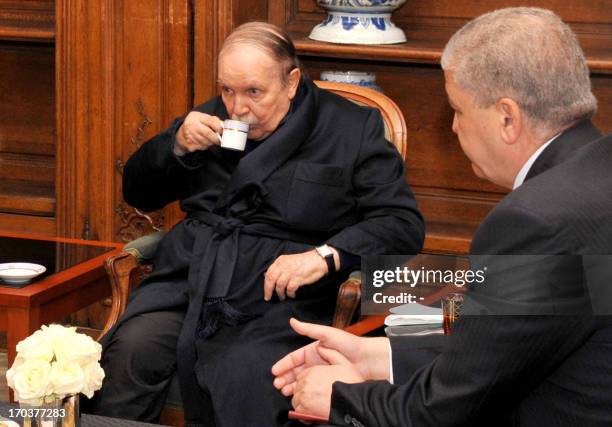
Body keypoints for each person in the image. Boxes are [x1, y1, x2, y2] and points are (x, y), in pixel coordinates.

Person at [272, 7, 612, 426]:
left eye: (458, 109)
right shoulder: (596, 175)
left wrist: (341, 397)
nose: (453, 127)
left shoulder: (535, 221)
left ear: (507, 118)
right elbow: (506, 337)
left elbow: (442, 411)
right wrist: (380, 353)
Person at [88, 22, 425, 426]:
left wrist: (324, 256)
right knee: (133, 349)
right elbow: (138, 194)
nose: (237, 108)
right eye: (227, 90)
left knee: (245, 369)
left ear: (291, 81)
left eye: (253, 92)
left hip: (283, 296)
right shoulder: (209, 120)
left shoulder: (351, 129)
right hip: (194, 281)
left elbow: (401, 223)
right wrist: (176, 145)